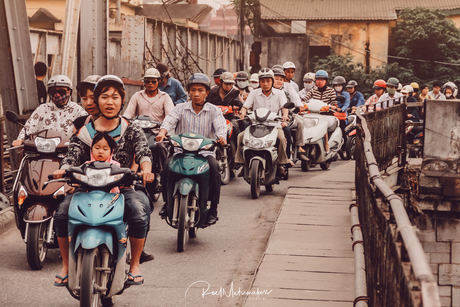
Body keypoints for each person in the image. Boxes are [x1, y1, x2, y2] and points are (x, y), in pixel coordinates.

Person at [52, 75, 154, 286]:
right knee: (62, 213)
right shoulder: (86, 131)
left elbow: (144, 152)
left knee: (139, 211)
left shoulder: (131, 128)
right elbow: (71, 156)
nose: (110, 102)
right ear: (97, 100)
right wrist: (63, 170)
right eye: (104, 97)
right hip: (86, 188)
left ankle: (134, 264)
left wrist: (146, 169)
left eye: (115, 97)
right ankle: (66, 266)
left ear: (122, 100)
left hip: (122, 188)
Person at [156, 73, 227, 225]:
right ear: (189, 91)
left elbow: (221, 127)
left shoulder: (214, 110)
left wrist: (221, 137)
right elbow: (169, 121)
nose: (196, 94)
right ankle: (167, 203)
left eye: (200, 90)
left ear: (207, 92)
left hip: (205, 153)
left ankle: (213, 208)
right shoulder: (180, 108)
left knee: (215, 168)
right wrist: (162, 133)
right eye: (193, 90)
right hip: (181, 152)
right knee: (167, 167)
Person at [236, 68, 290, 173]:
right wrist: (242, 112)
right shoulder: (254, 93)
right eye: (262, 81)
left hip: (274, 126)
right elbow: (245, 106)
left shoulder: (280, 94)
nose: (265, 84)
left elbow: (284, 107)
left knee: (282, 138)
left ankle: (280, 164)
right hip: (256, 125)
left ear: (272, 81)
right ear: (259, 82)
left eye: (268, 81)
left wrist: (285, 116)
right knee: (240, 137)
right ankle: (242, 163)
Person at [12, 75, 87, 147]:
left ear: (69, 92)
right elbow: (30, 126)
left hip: (67, 152)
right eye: (53, 91)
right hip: (43, 151)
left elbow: (87, 128)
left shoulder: (77, 110)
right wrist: (20, 139)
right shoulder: (42, 109)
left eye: (61, 91)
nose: (57, 95)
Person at [272, 67, 306, 163]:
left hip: (284, 118)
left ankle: (287, 157)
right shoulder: (263, 90)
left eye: (281, 79)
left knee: (288, 129)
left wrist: (299, 106)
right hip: (266, 119)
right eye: (276, 79)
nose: (279, 81)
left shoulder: (286, 91)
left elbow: (293, 100)